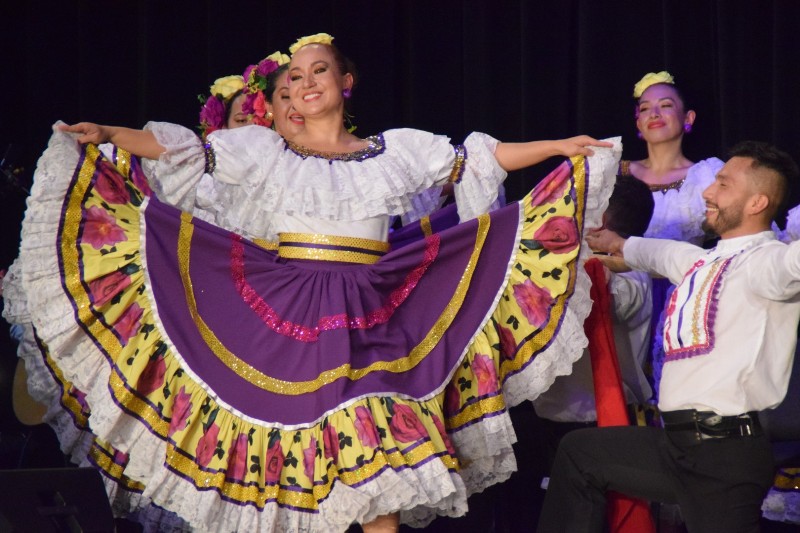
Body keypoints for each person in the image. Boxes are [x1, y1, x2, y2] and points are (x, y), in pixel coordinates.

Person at [15, 32, 619, 532]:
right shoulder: (265, 152)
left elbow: (479, 159)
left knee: (382, 456)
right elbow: (181, 150)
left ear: (345, 81)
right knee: (294, 465)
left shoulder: (396, 151)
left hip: (373, 312)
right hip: (290, 312)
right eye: (295, 77)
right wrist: (111, 134)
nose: (306, 82)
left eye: (319, 70)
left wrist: (558, 147)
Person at [538, 140, 800, 533]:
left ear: (757, 203)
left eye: (723, 185)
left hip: (725, 456)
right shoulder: (703, 262)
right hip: (676, 446)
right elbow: (662, 254)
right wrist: (617, 244)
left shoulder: (769, 264)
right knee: (580, 454)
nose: (708, 192)